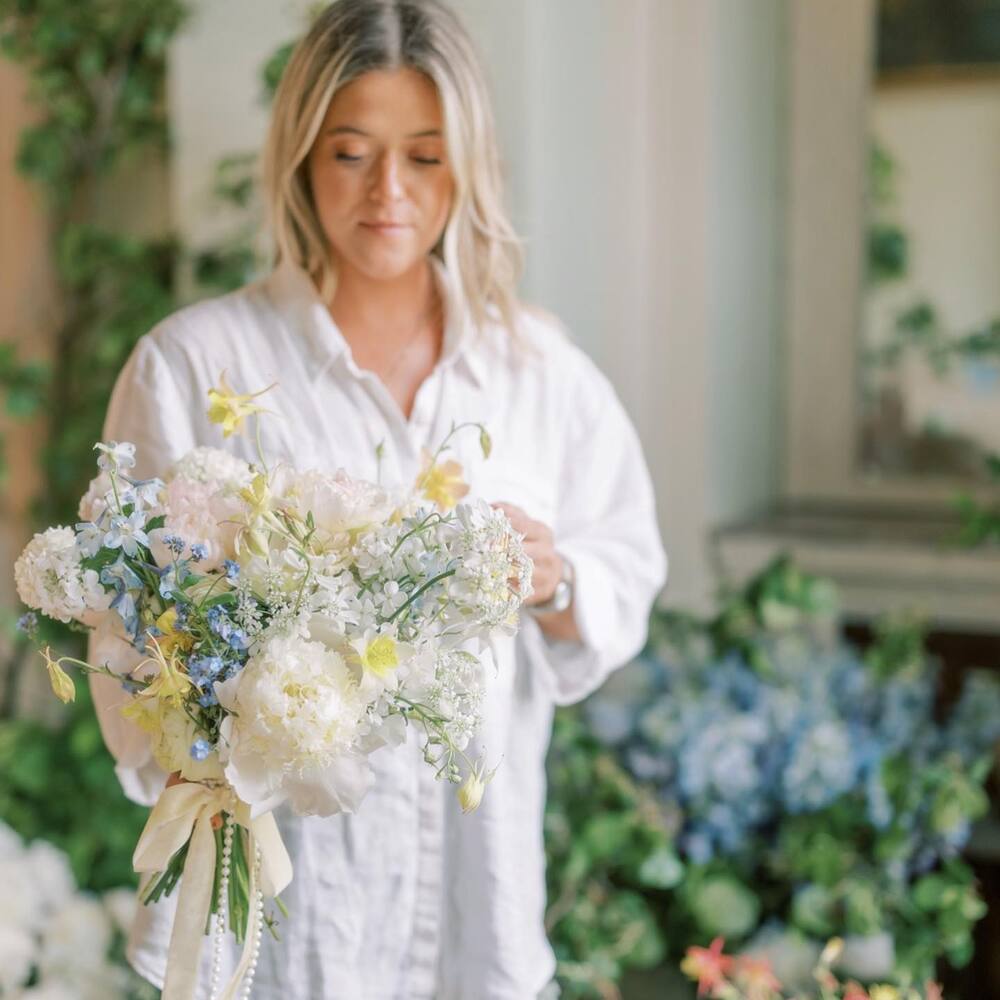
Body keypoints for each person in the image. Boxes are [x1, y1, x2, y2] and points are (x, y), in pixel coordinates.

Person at [88, 1, 667, 997]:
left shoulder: (538, 374)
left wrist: (555, 574)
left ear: (470, 166)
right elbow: (118, 627)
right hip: (275, 912)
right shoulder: (193, 364)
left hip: (470, 902)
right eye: (352, 152)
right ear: (303, 155)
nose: (387, 192)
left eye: (425, 157)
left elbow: (627, 561)